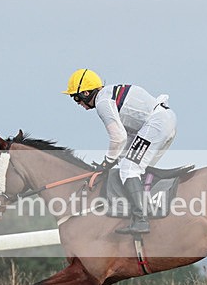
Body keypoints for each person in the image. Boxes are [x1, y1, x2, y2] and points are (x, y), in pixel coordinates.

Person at [62, 68, 177, 235]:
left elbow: (118, 137)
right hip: (164, 121)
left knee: (129, 169)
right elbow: (128, 138)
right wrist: (114, 160)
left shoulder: (102, 103)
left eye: (76, 98)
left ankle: (141, 220)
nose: (77, 103)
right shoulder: (109, 95)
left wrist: (106, 163)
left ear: (86, 93)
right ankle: (147, 210)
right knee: (131, 168)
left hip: (157, 124)